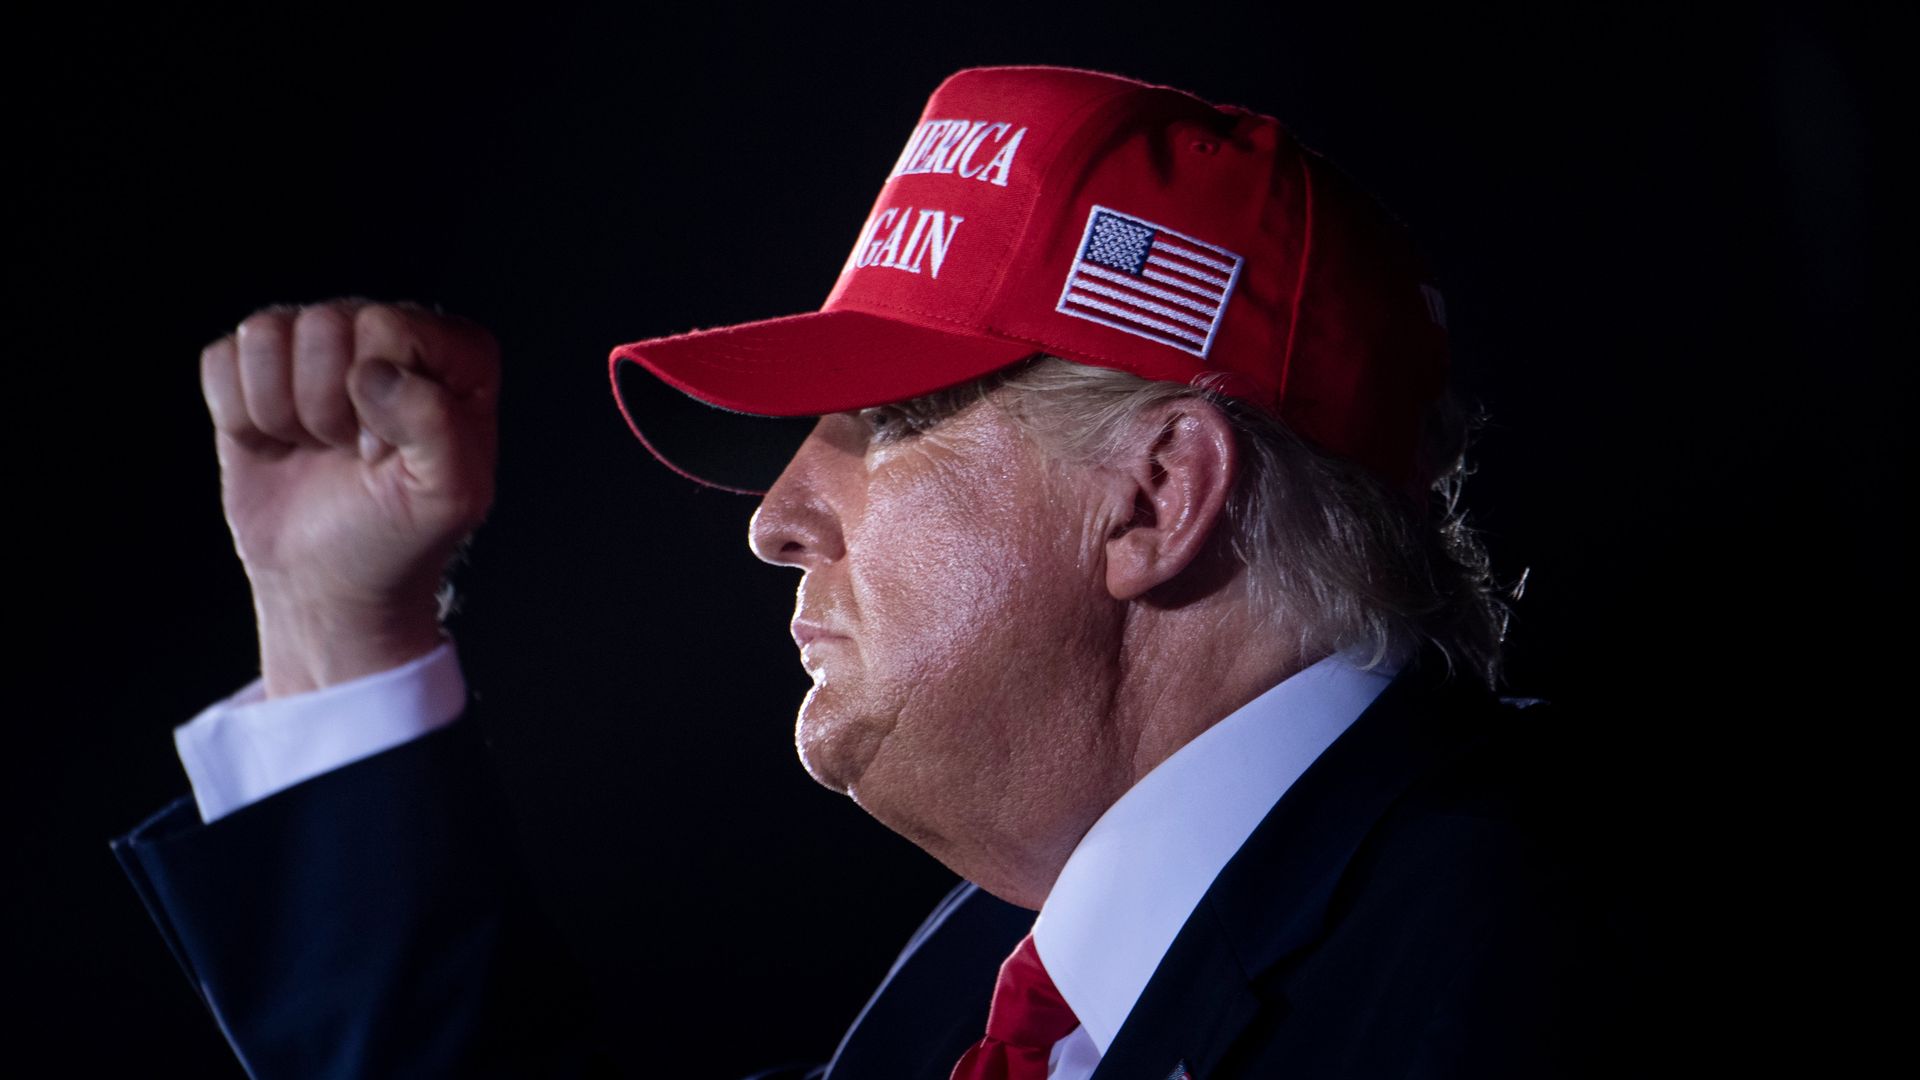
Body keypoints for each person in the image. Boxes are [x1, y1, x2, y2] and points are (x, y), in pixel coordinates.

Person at [114, 66, 1638, 1078]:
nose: (775, 515)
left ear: (1160, 495)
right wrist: (339, 620)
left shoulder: (1550, 958)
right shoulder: (1007, 971)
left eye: (890, 421)